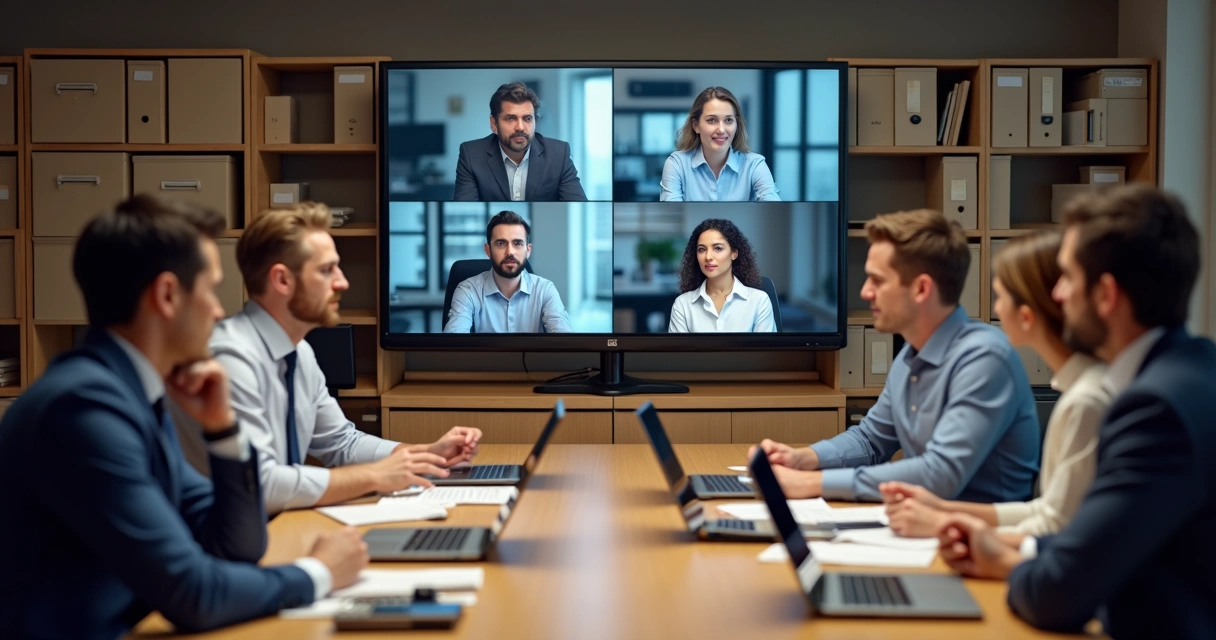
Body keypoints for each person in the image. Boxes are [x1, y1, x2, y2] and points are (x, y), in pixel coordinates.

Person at [0, 195, 368, 638]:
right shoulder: (84, 412)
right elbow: (195, 594)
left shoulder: (132, 395)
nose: (218, 311)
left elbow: (237, 546)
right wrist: (318, 573)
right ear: (168, 295)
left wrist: (223, 430)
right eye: (210, 289)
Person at [935, 184, 1216, 638]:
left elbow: (1057, 596)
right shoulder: (1197, 369)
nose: (1058, 294)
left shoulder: (1154, 411)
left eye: (1067, 276)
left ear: (1105, 295)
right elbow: (1102, 544)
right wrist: (1023, 550)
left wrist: (1005, 562)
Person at [207, 203, 482, 515]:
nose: (343, 283)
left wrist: (425, 455)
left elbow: (342, 443)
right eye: (326, 270)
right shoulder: (231, 359)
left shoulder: (299, 352)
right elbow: (263, 484)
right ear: (282, 280)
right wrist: (373, 476)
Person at [749, 208, 1040, 502]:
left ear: (921, 289)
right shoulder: (909, 356)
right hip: (923, 527)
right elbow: (871, 440)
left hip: (984, 537)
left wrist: (812, 483)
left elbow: (939, 475)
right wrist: (803, 458)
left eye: (877, 280)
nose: (865, 292)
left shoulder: (985, 359)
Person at [880, 231, 1111, 537]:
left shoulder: (1086, 400)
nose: (996, 310)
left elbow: (1058, 529)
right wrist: (945, 511)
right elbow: (1044, 510)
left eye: (1000, 297)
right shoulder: (1078, 388)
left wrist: (949, 526)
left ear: (1027, 316)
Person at [454, 81, 587, 202]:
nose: (520, 127)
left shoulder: (558, 154)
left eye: (527, 118)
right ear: (494, 123)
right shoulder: (471, 155)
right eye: (511, 118)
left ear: (536, 121)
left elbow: (577, 205)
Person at [444, 210, 572, 333]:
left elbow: (564, 342)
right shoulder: (468, 291)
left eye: (517, 243)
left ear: (528, 250)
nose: (510, 252)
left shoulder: (545, 290)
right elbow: (453, 343)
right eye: (501, 243)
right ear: (488, 250)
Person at [659, 86, 780, 202]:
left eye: (728, 120)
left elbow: (773, 208)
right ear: (696, 125)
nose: (721, 130)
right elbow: (672, 210)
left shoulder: (754, 165)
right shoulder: (677, 164)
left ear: (736, 125)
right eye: (712, 120)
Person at [668, 218, 775, 332]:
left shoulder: (759, 301)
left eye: (718, 248)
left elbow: (764, 349)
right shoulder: (683, 304)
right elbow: (678, 350)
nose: (708, 257)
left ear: (734, 253)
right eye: (702, 249)